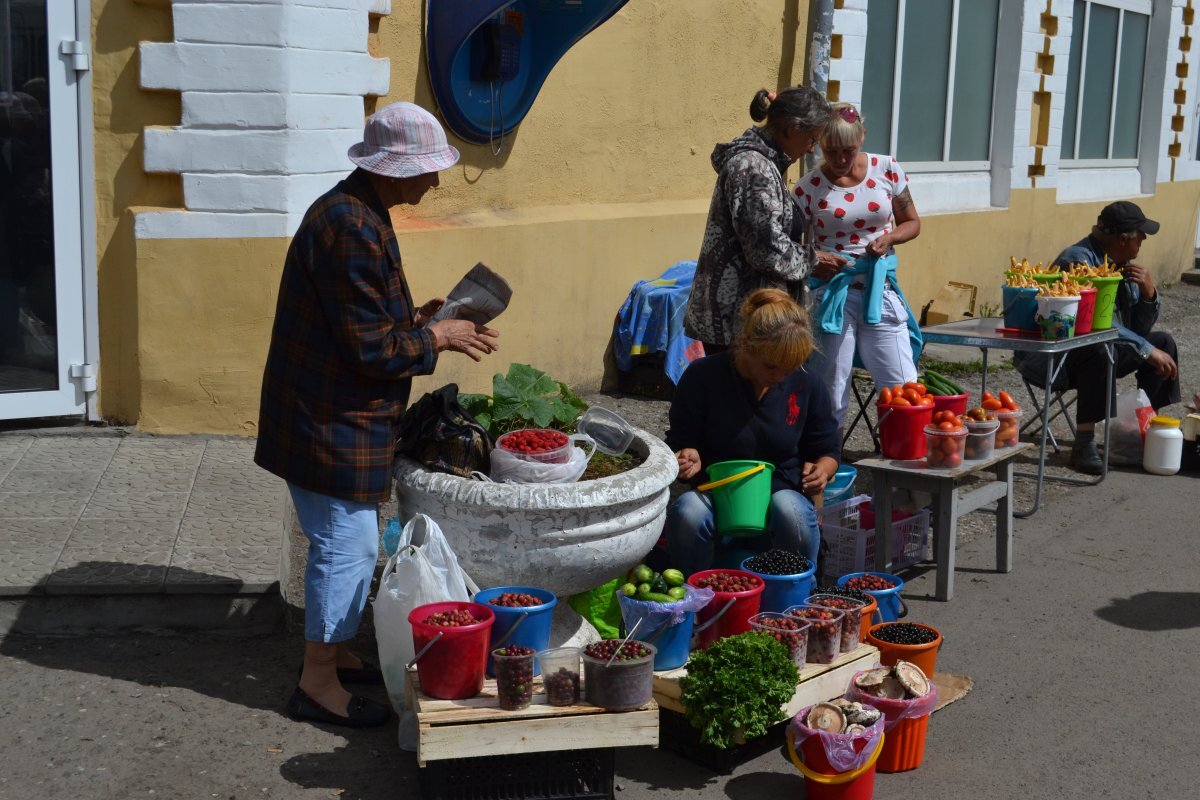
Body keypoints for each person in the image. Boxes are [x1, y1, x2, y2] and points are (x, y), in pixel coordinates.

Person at [254, 102, 500, 728]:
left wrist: (419, 322)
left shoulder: (361, 211)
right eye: (429, 168)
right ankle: (316, 680)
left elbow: (362, 326)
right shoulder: (351, 227)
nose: (436, 181)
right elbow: (367, 349)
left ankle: (330, 657)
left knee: (348, 543)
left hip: (332, 411)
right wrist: (436, 339)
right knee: (348, 546)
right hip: (327, 416)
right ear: (395, 169)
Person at [666, 288, 840, 577]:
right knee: (688, 513)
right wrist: (687, 454)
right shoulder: (703, 376)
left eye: (790, 367)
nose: (780, 376)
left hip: (782, 487)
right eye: (771, 366)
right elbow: (681, 438)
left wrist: (822, 469)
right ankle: (688, 599)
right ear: (745, 344)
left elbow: (827, 449)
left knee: (792, 513)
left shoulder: (807, 384)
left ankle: (793, 597)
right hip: (716, 490)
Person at [1014, 201, 1180, 474]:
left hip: (1100, 350)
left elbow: (1138, 328)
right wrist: (1144, 348)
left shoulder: (1123, 265)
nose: (1144, 240)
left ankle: (1147, 427)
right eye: (1140, 234)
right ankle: (1084, 444)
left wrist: (1150, 295)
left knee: (1163, 344)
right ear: (1123, 238)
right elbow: (1089, 324)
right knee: (1099, 347)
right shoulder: (1077, 262)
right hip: (1054, 357)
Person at [793, 102, 923, 430]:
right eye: (831, 151)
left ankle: (904, 462)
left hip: (878, 288)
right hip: (832, 295)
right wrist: (814, 262)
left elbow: (913, 222)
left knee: (902, 385)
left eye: (848, 151)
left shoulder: (887, 169)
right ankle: (826, 462)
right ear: (820, 143)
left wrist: (890, 238)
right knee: (830, 388)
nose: (839, 160)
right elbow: (793, 245)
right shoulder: (808, 188)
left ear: (862, 138)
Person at [684, 86, 835, 354]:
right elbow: (764, 248)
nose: (812, 148)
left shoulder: (766, 163)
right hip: (739, 321)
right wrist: (813, 260)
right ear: (791, 129)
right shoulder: (754, 168)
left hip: (750, 317)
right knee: (740, 394)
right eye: (812, 138)